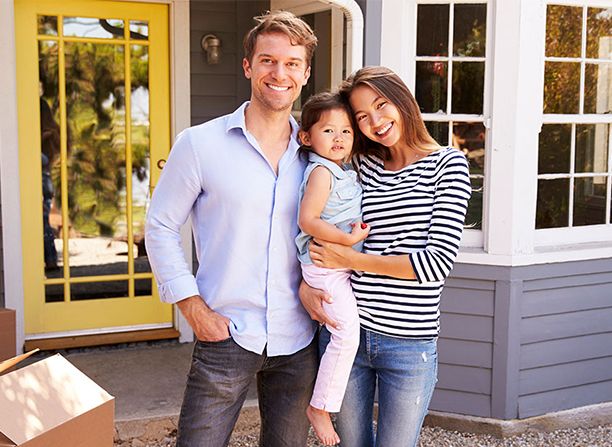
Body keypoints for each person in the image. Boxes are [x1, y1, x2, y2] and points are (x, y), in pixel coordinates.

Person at [145, 11, 319, 447]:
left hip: (298, 340)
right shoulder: (199, 144)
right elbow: (161, 224)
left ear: (306, 73)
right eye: (267, 60)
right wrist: (192, 308)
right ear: (248, 66)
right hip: (225, 334)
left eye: (292, 63)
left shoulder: (317, 154)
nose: (279, 73)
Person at [300, 66, 472, 447]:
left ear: (403, 100)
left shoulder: (449, 165)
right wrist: (305, 285)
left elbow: (435, 265)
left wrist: (351, 260)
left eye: (381, 106)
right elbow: (320, 222)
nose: (375, 122)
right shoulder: (362, 166)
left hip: (409, 345)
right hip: (348, 334)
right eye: (361, 116)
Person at [294, 92, 369, 445]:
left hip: (335, 266)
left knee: (342, 331)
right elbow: (307, 220)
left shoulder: (343, 170)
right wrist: (347, 241)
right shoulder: (322, 173)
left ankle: (323, 403)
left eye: (346, 131)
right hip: (325, 266)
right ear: (306, 137)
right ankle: (320, 408)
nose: (339, 138)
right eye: (328, 131)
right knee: (346, 333)